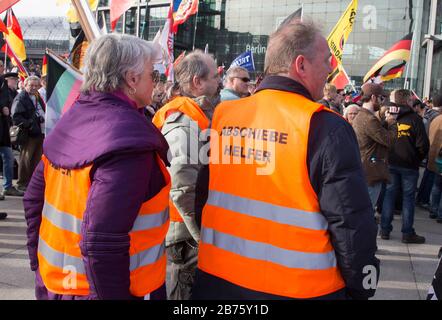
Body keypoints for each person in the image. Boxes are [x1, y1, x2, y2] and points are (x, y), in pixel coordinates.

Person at [192, 20, 379, 300]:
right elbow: (351, 225)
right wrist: (363, 286)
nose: (331, 68)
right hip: (300, 289)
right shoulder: (325, 126)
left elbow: (202, 199)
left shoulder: (224, 116)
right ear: (300, 65)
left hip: (218, 281)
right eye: (327, 60)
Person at [23, 34, 170, 300]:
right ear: (132, 79)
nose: (155, 81)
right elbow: (102, 239)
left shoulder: (71, 120)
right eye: (153, 74)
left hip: (56, 284)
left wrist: (38, 267)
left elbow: (33, 199)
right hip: (117, 290)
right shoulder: (129, 141)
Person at [152, 50, 220, 300]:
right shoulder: (183, 121)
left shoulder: (197, 115)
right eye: (214, 76)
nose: (218, 81)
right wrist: (202, 236)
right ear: (197, 82)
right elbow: (183, 187)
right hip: (185, 236)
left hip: (188, 231)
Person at [380, 89, 429, 243]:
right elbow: (423, 146)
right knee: (408, 199)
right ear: (408, 100)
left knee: (389, 195)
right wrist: (416, 159)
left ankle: (385, 230)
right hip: (408, 165)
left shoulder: (388, 117)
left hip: (392, 162)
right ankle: (407, 233)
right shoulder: (415, 119)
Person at [352, 84, 397, 210]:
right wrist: (392, 122)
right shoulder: (369, 119)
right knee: (366, 211)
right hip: (370, 171)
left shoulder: (362, 115)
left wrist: (384, 121)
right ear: (373, 97)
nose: (382, 102)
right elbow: (389, 140)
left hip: (364, 169)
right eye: (381, 98)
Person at [11, 76, 46, 192]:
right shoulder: (21, 98)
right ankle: (22, 183)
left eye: (36, 86)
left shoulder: (37, 96)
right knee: (26, 159)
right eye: (31, 85)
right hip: (29, 133)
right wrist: (30, 124)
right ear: (25, 85)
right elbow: (16, 117)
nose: (34, 88)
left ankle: (32, 183)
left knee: (36, 160)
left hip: (40, 132)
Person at [0, 72, 24, 198]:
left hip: (5, 131)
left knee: (8, 158)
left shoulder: (15, 93)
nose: (15, 81)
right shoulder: (4, 91)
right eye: (13, 79)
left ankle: (7, 187)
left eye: (16, 79)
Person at [428, 95, 442, 223]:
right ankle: (440, 213)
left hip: (435, 157)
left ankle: (433, 209)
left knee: (437, 186)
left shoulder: (436, 119)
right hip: (439, 156)